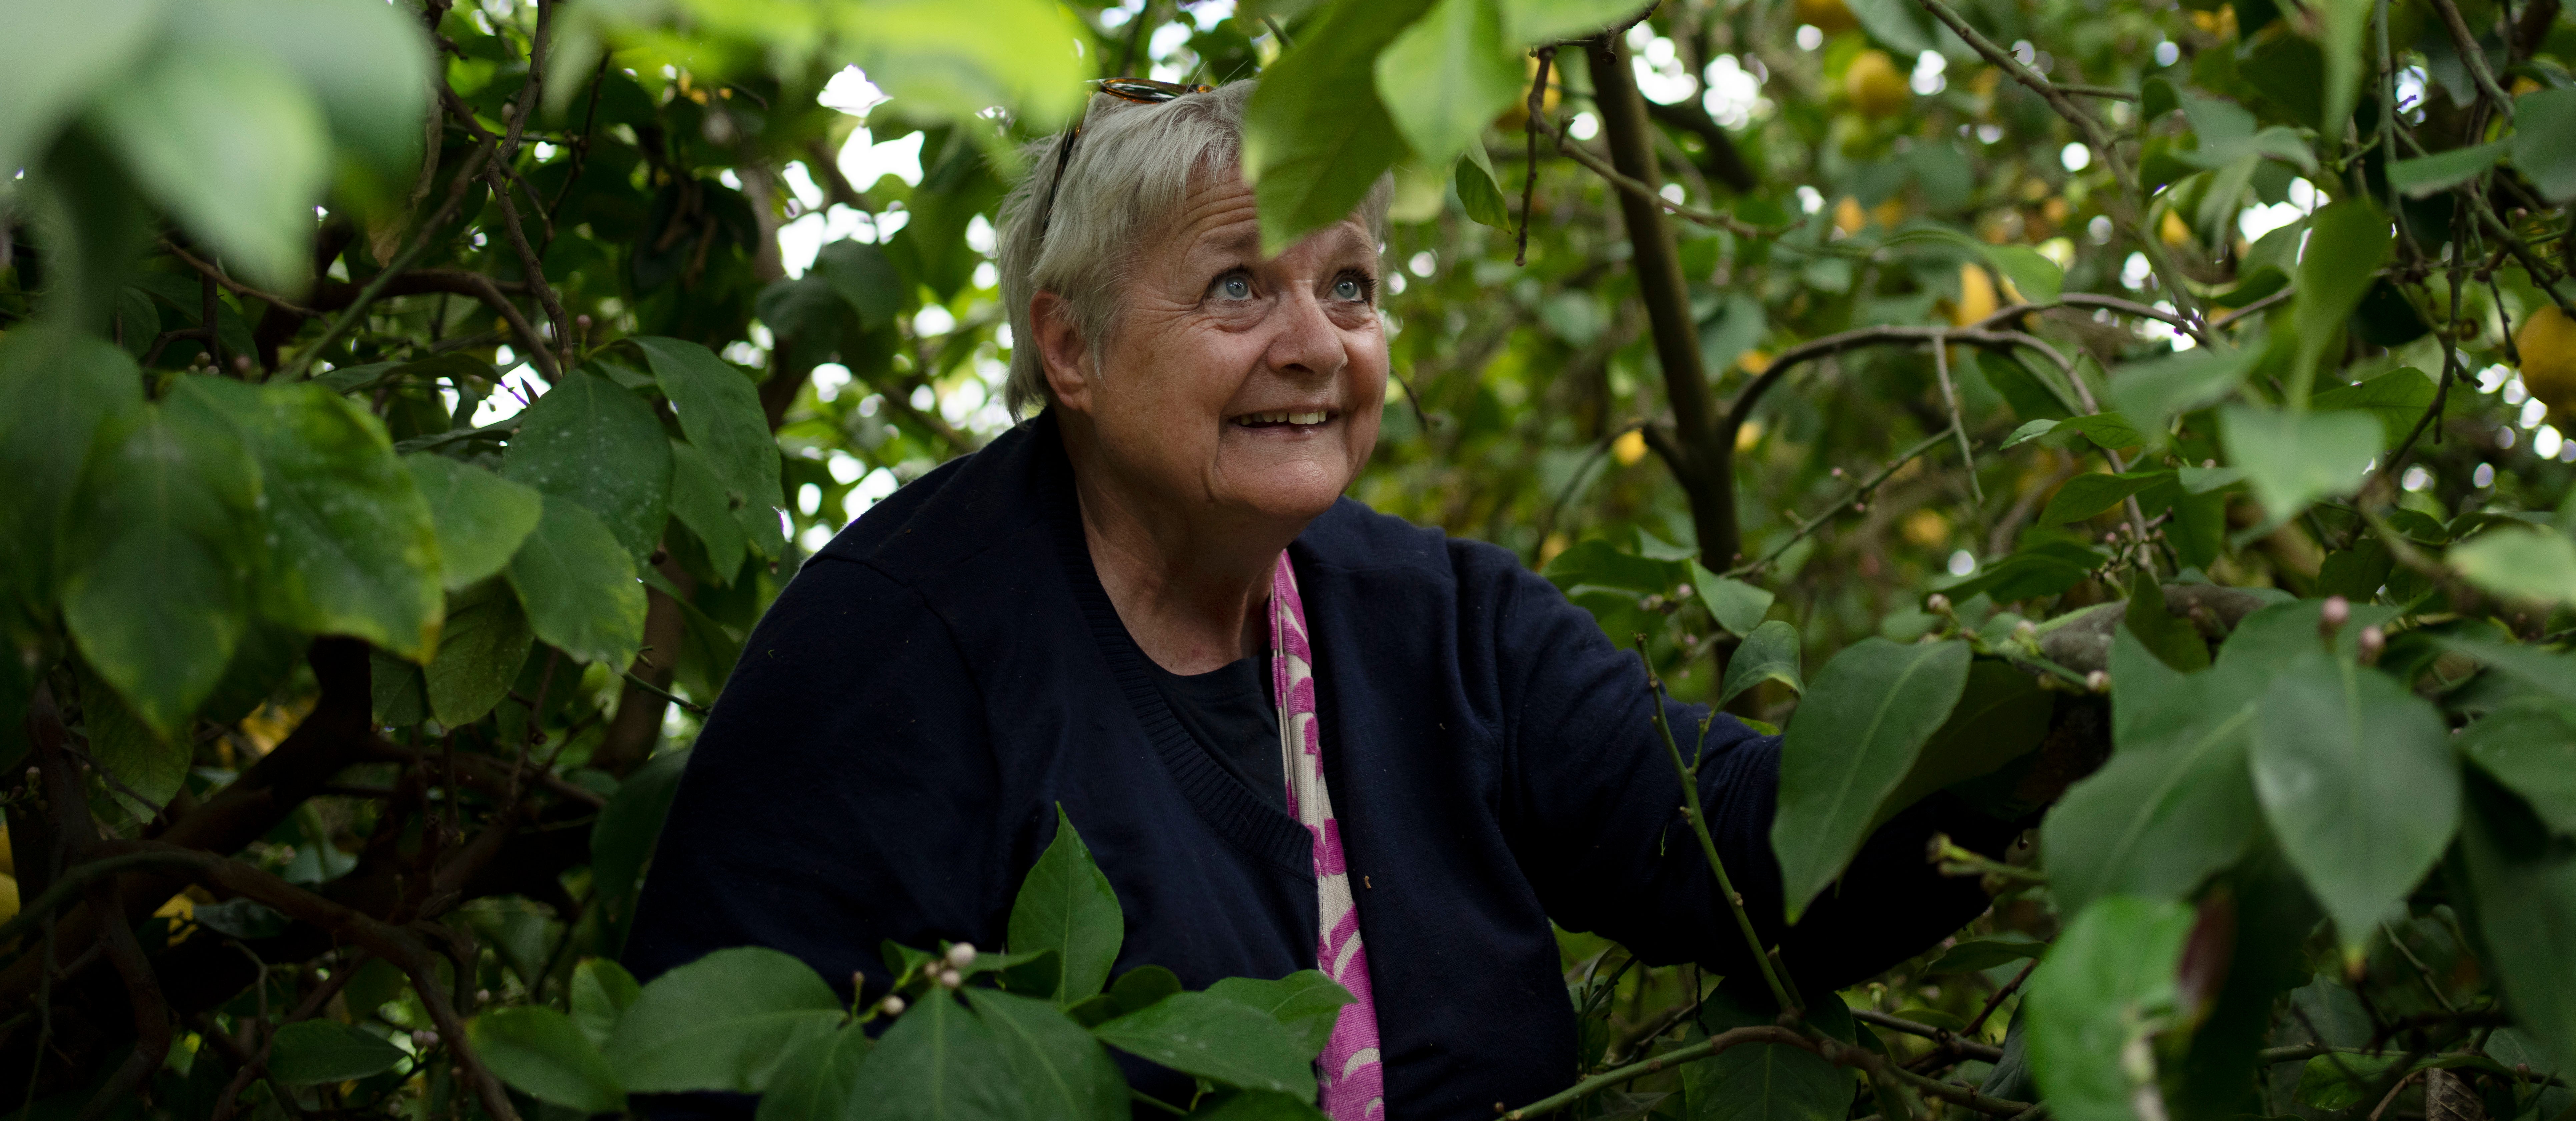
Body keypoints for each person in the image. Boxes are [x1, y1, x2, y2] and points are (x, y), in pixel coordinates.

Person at [627, 79, 2004, 1118]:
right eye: (1240, 286)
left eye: (1349, 285)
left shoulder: (1449, 626)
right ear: (1071, 345)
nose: (1315, 346)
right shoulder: (899, 644)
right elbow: (723, 1077)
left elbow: (1757, 858)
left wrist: (2029, 725)